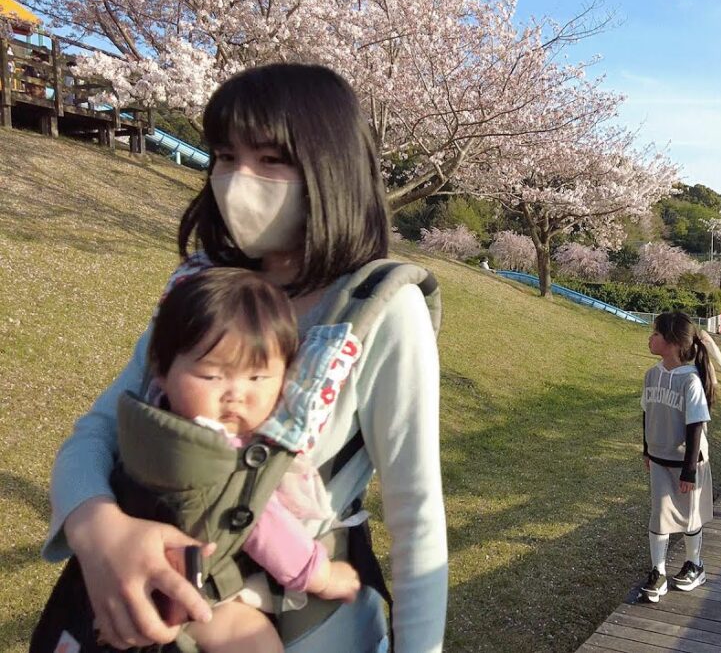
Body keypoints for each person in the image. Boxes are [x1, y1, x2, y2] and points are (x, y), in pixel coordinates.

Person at [42, 63, 446, 652]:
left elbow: (416, 517)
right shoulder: (202, 288)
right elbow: (101, 430)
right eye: (225, 157)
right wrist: (97, 527)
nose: (237, 180)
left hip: (306, 624)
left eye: (271, 160)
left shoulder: (380, 307)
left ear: (329, 171)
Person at [132, 267, 360, 652]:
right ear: (161, 366)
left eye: (257, 378)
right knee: (255, 642)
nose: (235, 393)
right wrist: (320, 575)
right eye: (211, 375)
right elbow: (259, 521)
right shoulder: (213, 453)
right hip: (187, 595)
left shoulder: (147, 413)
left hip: (141, 570)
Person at [639, 312, 718, 603]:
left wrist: (689, 471)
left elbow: (695, 425)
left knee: (690, 515)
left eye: (655, 334)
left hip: (688, 463)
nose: (650, 339)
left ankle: (695, 565)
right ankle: (657, 572)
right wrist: (646, 450)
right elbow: (646, 413)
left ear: (671, 342)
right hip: (659, 459)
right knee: (659, 514)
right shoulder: (652, 374)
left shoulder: (690, 381)